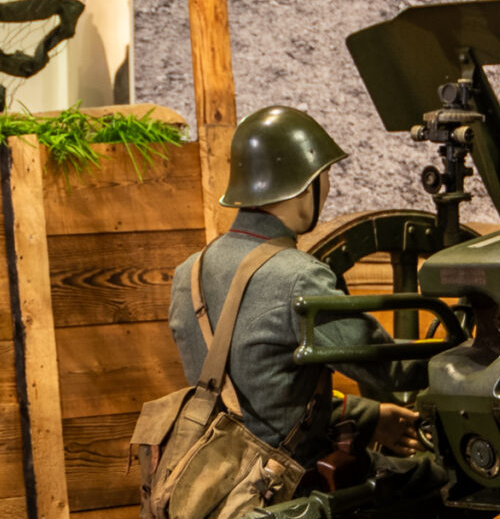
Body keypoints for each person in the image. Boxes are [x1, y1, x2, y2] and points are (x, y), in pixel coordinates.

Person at [168, 105, 420, 477]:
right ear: (306, 184)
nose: (329, 188)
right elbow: (391, 370)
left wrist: (370, 416)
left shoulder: (187, 273)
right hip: (290, 481)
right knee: (433, 480)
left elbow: (260, 393)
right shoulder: (299, 277)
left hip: (220, 478)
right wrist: (469, 357)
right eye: (326, 175)